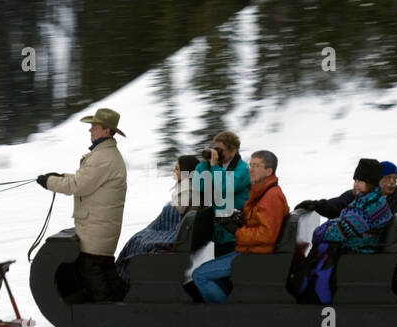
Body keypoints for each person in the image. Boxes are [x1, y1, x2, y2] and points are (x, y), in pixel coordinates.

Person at [37, 107, 128, 302]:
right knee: (105, 271)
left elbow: (78, 185)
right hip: (100, 227)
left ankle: (106, 315)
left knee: (91, 271)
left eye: (94, 126)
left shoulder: (102, 158)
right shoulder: (106, 155)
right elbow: (85, 179)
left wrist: (49, 182)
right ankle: (121, 309)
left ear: (106, 130)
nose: (90, 130)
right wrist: (58, 177)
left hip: (97, 228)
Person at [191, 151, 288, 303]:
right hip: (251, 252)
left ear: (269, 171)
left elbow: (267, 235)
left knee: (199, 275)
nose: (250, 169)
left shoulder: (271, 196)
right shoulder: (261, 191)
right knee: (209, 271)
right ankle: (230, 303)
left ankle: (224, 315)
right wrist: (237, 219)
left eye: (256, 166)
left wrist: (236, 231)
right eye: (250, 165)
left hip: (256, 257)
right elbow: (257, 221)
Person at [293, 159, 393, 303]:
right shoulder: (366, 198)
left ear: (370, 183)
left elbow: (340, 231)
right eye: (355, 180)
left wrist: (320, 231)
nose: (356, 184)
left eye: (360, 181)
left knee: (320, 255)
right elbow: (342, 218)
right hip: (357, 248)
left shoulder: (371, 204)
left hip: (358, 252)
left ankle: (314, 299)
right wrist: (321, 210)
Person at [115, 155, 201, 282]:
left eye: (177, 169)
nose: (173, 171)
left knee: (138, 243)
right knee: (136, 239)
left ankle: (124, 279)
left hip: (173, 235)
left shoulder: (188, 191)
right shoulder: (185, 188)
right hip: (166, 230)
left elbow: (176, 220)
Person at [296, 160, 397, 219]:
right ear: (377, 180)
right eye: (388, 178)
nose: (392, 182)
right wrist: (318, 205)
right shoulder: (358, 195)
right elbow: (336, 205)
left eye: (395, 178)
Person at [193, 130, 250, 257]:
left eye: (221, 150)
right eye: (215, 149)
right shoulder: (215, 166)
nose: (217, 153)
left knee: (231, 272)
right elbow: (198, 186)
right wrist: (206, 163)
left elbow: (225, 188)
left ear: (233, 150)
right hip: (219, 231)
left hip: (235, 231)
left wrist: (214, 167)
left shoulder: (243, 169)